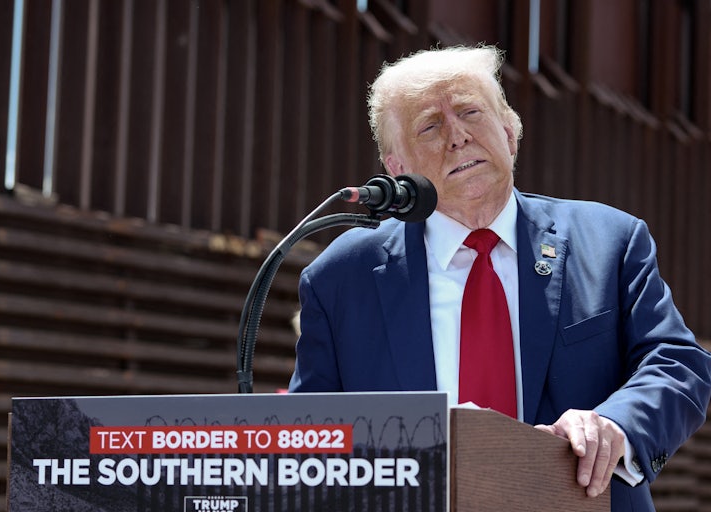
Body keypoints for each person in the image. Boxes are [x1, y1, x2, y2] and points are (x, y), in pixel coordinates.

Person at [288, 45, 711, 510]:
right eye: (430, 125)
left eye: (471, 112)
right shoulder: (340, 278)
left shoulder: (610, 241)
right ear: (398, 169)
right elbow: (313, 441)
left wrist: (616, 425)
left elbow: (677, 364)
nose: (458, 136)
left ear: (510, 133)